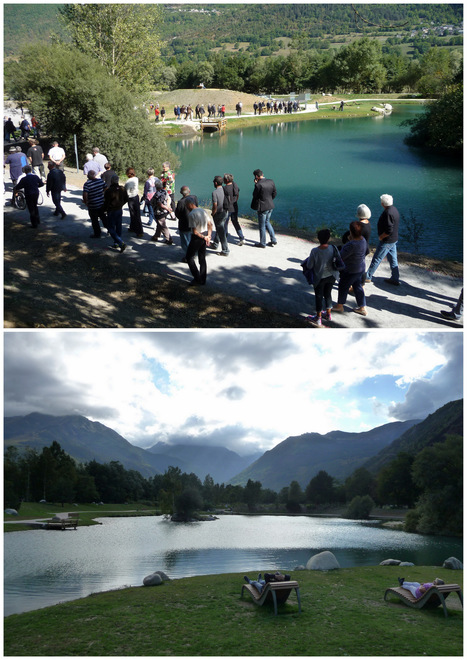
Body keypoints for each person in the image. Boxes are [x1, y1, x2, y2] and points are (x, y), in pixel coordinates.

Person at [305, 228, 342, 327]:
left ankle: (318, 317)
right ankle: (328, 314)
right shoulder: (333, 247)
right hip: (332, 275)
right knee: (328, 294)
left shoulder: (315, 251)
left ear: (318, 239)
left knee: (318, 296)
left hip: (319, 277)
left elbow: (309, 265)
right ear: (329, 238)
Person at [333, 221, 368, 316]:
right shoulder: (363, 240)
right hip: (360, 268)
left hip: (350, 269)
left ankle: (340, 305)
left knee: (343, 285)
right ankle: (362, 307)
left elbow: (341, 256)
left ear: (351, 232)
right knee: (358, 287)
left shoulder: (351, 244)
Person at [366, 194, 400, 286]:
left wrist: (382, 236)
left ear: (383, 203)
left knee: (377, 258)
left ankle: (368, 276)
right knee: (393, 259)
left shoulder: (388, 213)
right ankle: (395, 278)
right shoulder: (394, 209)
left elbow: (389, 229)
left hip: (387, 240)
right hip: (393, 239)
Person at [186, 207, 213, 285]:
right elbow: (210, 224)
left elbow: (195, 232)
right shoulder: (203, 210)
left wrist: (204, 237)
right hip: (205, 233)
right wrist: (209, 236)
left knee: (189, 257)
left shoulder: (191, 214)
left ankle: (197, 278)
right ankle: (203, 279)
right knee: (202, 257)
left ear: (188, 205)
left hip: (198, 237)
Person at [251, 168, 277, 248]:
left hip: (262, 207)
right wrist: (270, 200)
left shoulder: (258, 185)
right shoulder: (271, 181)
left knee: (262, 225)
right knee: (267, 222)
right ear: (262, 174)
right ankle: (273, 239)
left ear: (256, 176)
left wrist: (255, 184)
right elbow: (274, 193)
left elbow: (254, 195)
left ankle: (262, 243)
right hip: (270, 205)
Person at [104, 174, 128, 253]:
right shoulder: (122, 189)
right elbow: (126, 199)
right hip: (119, 210)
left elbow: (106, 202)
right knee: (118, 226)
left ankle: (121, 243)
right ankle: (116, 243)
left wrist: (104, 210)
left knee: (110, 228)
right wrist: (121, 204)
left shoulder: (109, 190)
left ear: (111, 181)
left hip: (111, 211)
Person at [82, 169, 107, 238]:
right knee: (103, 217)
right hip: (101, 203)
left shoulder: (87, 184)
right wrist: (103, 194)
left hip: (92, 205)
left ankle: (97, 233)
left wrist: (86, 201)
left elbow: (85, 194)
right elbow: (106, 188)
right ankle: (110, 229)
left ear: (88, 176)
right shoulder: (100, 181)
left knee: (94, 220)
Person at [175, 186, 199, 257]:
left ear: (181, 193)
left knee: (185, 242)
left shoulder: (180, 202)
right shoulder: (194, 198)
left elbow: (177, 214)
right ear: (189, 191)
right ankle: (193, 253)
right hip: (195, 223)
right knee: (193, 239)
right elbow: (196, 207)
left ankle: (189, 256)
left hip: (184, 224)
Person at [210, 175, 229, 256]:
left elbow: (215, 205)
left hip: (218, 213)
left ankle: (225, 250)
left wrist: (213, 213)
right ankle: (215, 244)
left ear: (216, 183)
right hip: (225, 212)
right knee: (220, 228)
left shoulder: (215, 192)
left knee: (221, 232)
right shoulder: (225, 189)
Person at [223, 173, 245, 246]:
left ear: (226, 180)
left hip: (228, 208)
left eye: (224, 178)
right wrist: (234, 201)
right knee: (235, 222)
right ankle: (241, 238)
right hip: (235, 206)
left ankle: (224, 238)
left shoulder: (225, 188)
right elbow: (237, 195)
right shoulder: (235, 185)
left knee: (225, 223)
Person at [124, 167, 144, 237]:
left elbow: (126, 191)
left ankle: (139, 231)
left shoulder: (128, 182)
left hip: (131, 198)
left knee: (134, 214)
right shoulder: (136, 179)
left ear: (128, 174)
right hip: (136, 197)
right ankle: (132, 227)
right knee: (136, 213)